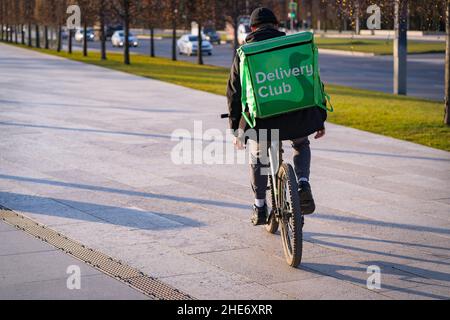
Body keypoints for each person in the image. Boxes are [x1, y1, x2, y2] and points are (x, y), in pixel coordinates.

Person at [226, 7, 327, 226]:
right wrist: (320, 116)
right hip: (297, 117)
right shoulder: (291, 46)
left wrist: (236, 129)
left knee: (259, 158)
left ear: (252, 28)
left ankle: (260, 206)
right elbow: (313, 81)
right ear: (276, 25)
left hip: (263, 120)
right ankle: (302, 183)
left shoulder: (245, 52)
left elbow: (235, 93)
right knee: (301, 143)